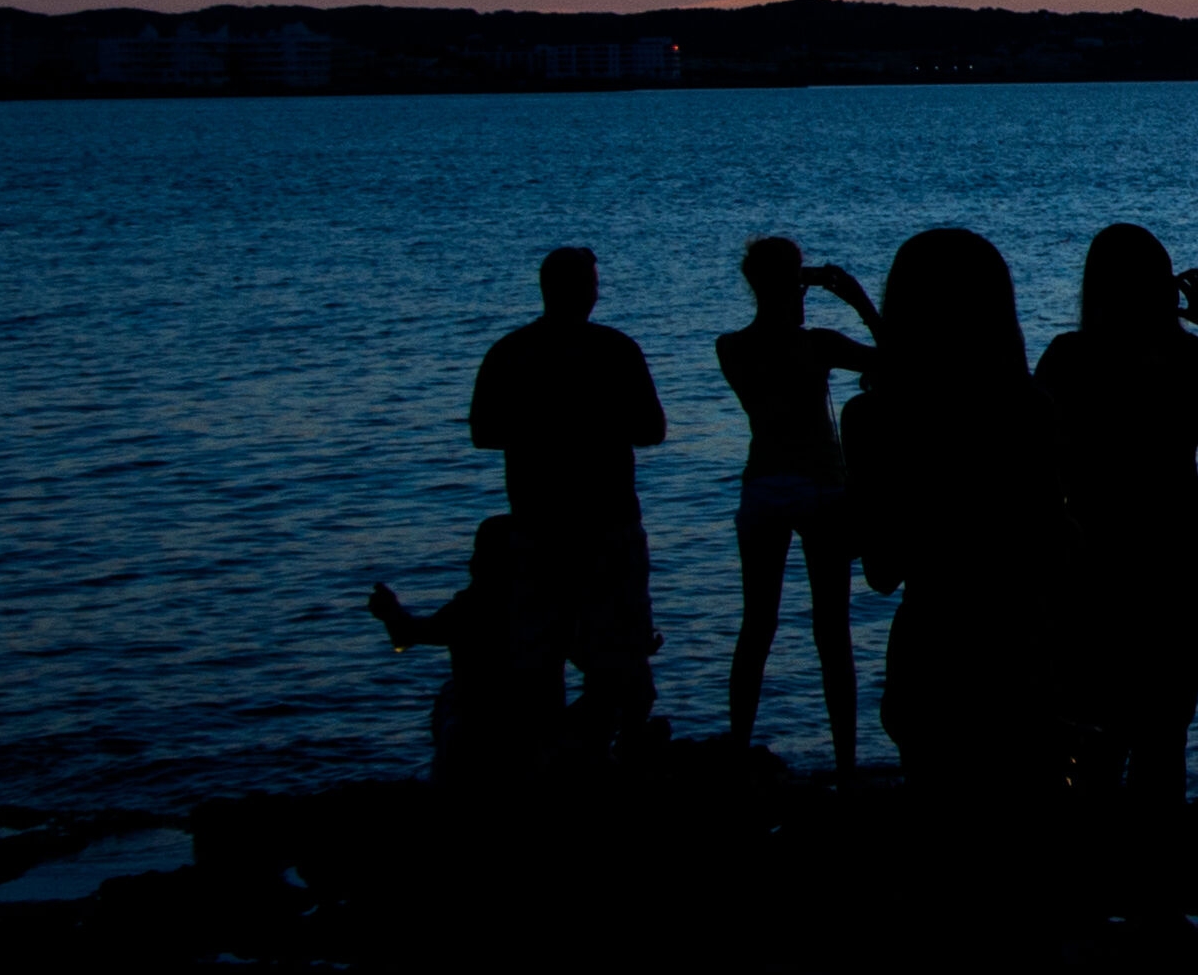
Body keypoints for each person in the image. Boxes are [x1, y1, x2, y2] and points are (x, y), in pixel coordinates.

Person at [1033, 223, 1198, 825]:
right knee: (1163, 751)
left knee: (1092, 751)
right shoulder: (1190, 360)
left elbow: (1030, 459)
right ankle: (1156, 904)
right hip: (1177, 571)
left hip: (1093, 571)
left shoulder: (1070, 358)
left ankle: (1091, 901)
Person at [842, 226, 1067, 791]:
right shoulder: (1031, 410)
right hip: (1021, 647)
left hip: (931, 650)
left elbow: (881, 570)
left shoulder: (871, 420)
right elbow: (1050, 544)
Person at [468, 246, 667, 758]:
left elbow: (485, 432)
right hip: (607, 525)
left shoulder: (510, 352)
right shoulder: (615, 349)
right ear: (583, 291)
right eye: (591, 283)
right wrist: (592, 424)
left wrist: (540, 427)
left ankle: (555, 759)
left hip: (539, 525)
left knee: (542, 657)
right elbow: (651, 429)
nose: (595, 293)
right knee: (620, 656)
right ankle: (601, 753)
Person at [713, 238, 879, 770]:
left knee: (756, 626)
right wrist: (857, 299)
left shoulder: (731, 348)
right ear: (796, 283)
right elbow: (897, 361)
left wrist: (795, 282)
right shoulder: (818, 345)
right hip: (821, 490)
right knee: (832, 634)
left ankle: (738, 752)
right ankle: (848, 768)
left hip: (763, 486)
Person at [367, 516, 569, 784]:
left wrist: (391, 613)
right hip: (542, 733)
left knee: (450, 697)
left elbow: (406, 636)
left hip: (480, 737)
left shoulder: (471, 610)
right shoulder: (551, 606)